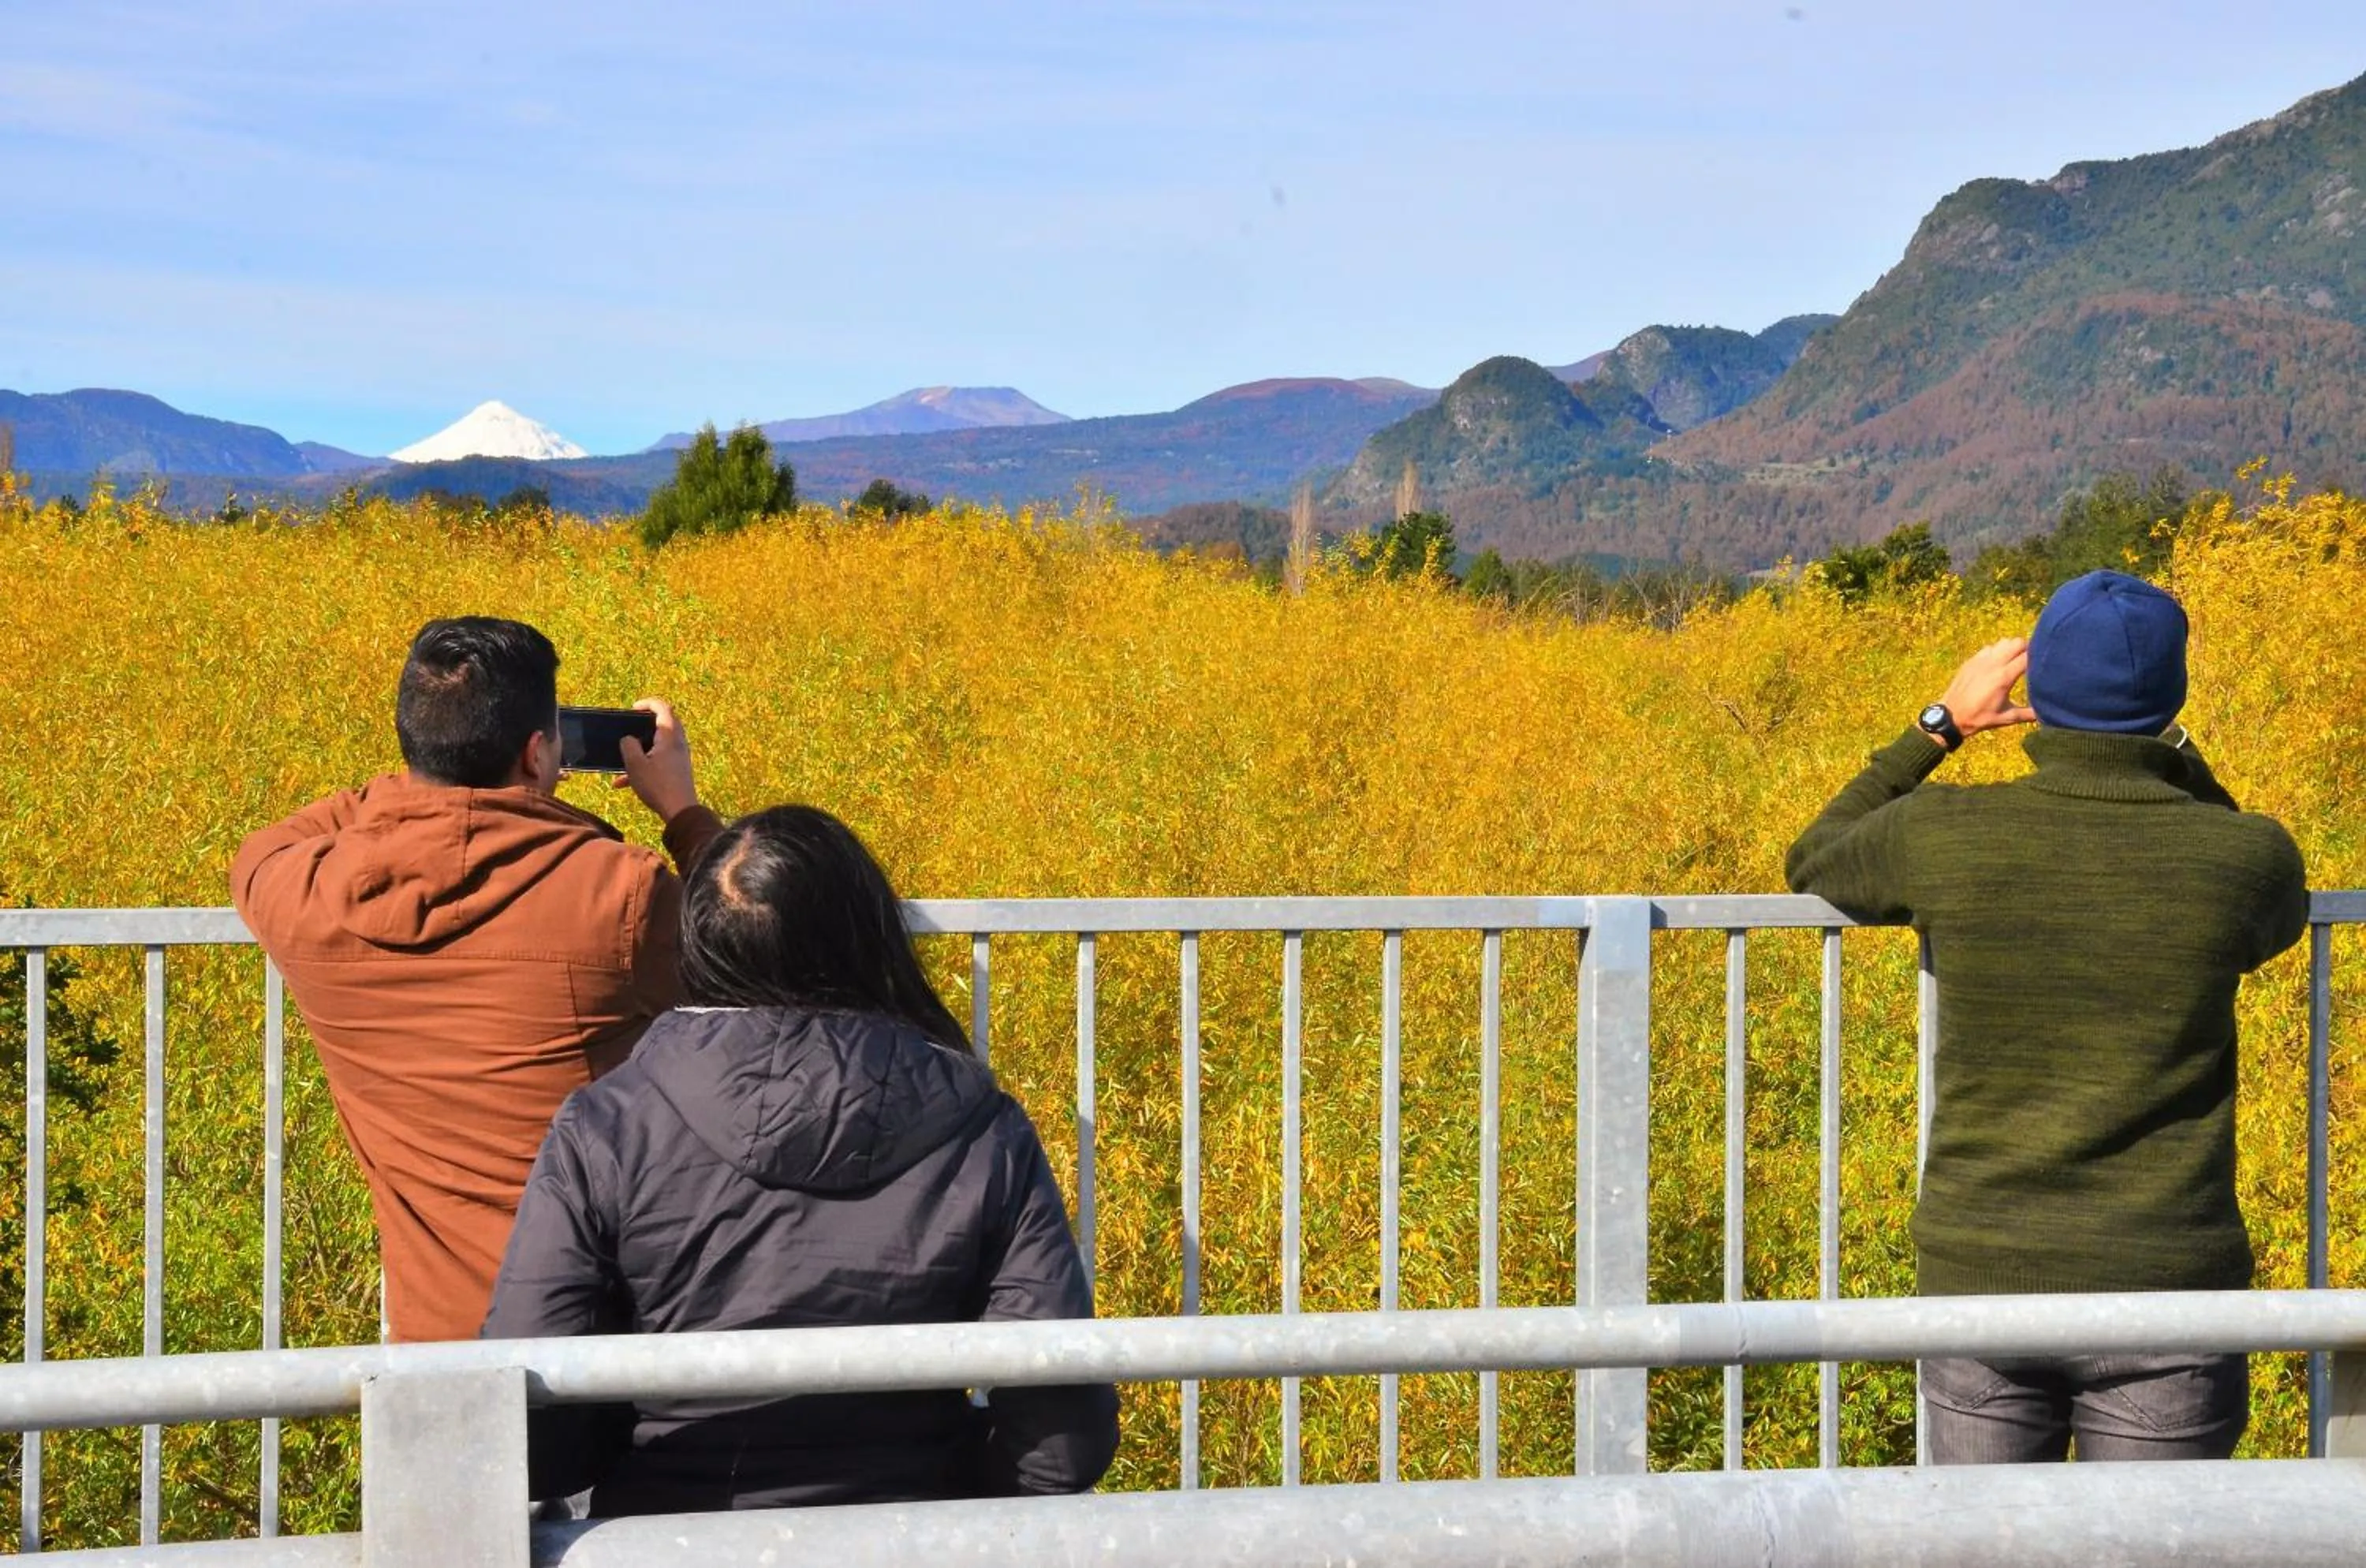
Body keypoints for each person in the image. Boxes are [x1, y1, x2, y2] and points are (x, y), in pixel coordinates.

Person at [1786, 569, 2308, 1464]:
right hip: (2171, 1291)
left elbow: (1816, 853)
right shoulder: (2245, 857)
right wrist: (2169, 749)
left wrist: (1940, 722)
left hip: (1982, 1281)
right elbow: (2263, 893)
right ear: (2171, 699)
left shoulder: (1945, 834)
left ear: (2036, 688)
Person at [481, 804, 1119, 1514]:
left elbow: (528, 1435)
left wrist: (637, 1442)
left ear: (699, 949)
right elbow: (1063, 1440)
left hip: (669, 1539)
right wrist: (949, 1485)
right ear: (866, 937)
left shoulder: (605, 1126)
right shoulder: (982, 1127)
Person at [230, 616, 722, 1343]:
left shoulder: (304, 896)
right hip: (600, 1335)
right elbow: (752, 938)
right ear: (535, 753)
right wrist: (680, 808)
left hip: (433, 1345)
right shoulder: (622, 894)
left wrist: (420, 782)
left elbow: (268, 845)